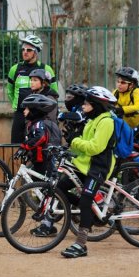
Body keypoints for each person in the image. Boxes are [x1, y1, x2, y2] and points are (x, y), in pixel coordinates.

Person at [34, 87, 116, 259]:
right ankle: (89, 209)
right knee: (60, 190)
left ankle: (81, 244)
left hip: (98, 167)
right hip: (84, 164)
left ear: (96, 105)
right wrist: (66, 148)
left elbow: (95, 147)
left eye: (86, 103)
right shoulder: (92, 120)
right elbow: (81, 144)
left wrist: (75, 140)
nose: (83, 105)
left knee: (85, 201)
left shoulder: (106, 122)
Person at [6, 35, 58, 143]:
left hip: (38, 115)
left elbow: (54, 93)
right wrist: (16, 105)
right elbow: (9, 90)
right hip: (20, 114)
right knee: (15, 146)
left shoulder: (46, 69)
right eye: (23, 49)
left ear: (36, 52)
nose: (25, 52)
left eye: (29, 50)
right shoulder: (15, 69)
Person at [19, 93, 62, 176]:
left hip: (46, 161)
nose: (24, 111)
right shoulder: (33, 123)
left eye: (27, 109)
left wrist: (25, 146)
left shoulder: (39, 124)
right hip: (39, 160)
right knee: (37, 184)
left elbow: (40, 137)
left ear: (34, 111)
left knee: (43, 185)